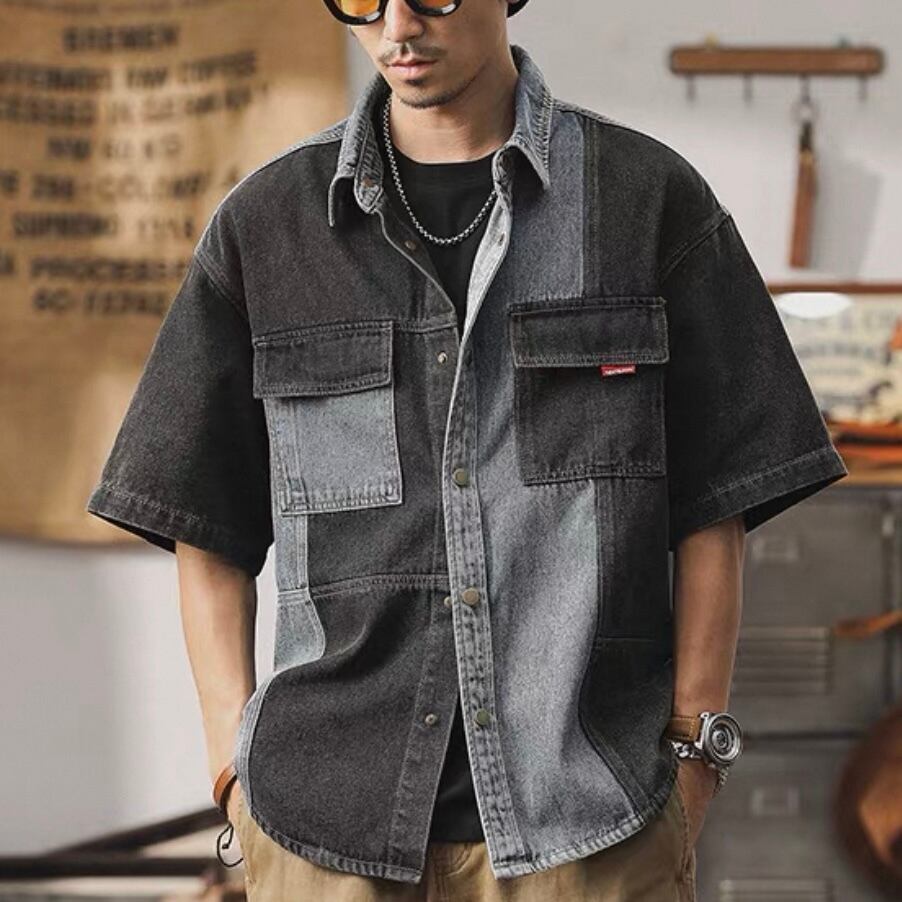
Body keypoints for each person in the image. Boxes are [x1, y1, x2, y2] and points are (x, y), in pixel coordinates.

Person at [85, 0, 849, 899]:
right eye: (362, 0)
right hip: (323, 835)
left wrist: (696, 753)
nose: (396, 25)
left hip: (589, 832)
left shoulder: (646, 202)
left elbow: (717, 505)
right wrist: (229, 770)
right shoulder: (268, 226)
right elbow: (202, 521)